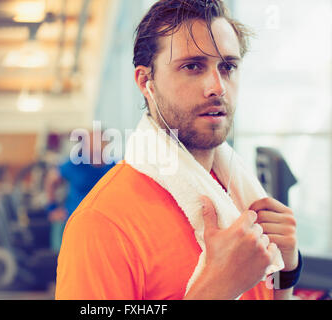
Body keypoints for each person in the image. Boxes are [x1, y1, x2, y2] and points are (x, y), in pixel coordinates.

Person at [55, 0, 300, 300]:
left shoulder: (241, 196)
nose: (217, 87)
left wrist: (286, 274)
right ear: (146, 82)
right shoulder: (101, 224)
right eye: (193, 66)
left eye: (228, 67)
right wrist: (212, 293)